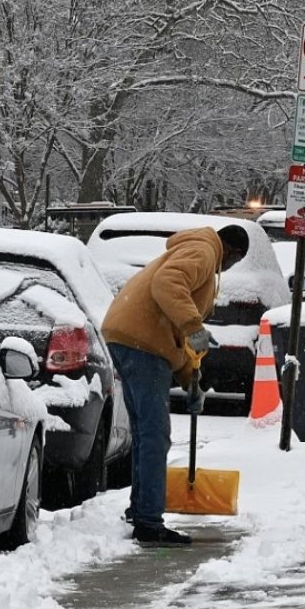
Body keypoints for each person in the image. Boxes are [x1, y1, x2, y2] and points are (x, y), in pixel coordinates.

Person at [102, 223, 249, 545]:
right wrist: (195, 329)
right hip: (142, 342)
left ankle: (140, 509)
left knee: (144, 433)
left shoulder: (199, 251)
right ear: (233, 253)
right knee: (155, 435)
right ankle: (148, 523)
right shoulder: (205, 250)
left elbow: (174, 333)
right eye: (235, 263)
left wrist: (189, 380)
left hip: (130, 337)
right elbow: (168, 286)